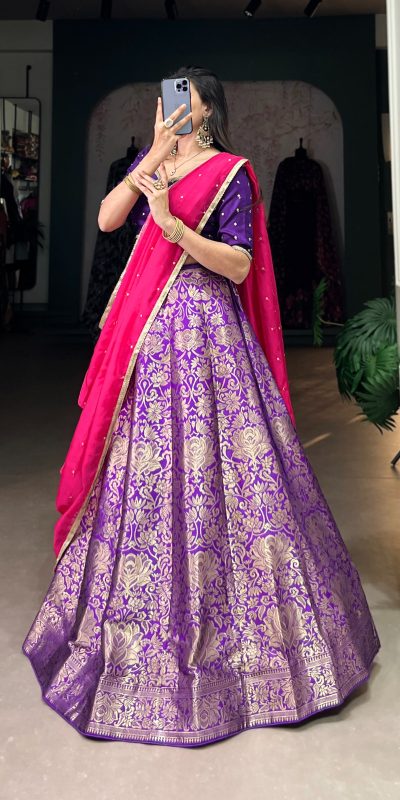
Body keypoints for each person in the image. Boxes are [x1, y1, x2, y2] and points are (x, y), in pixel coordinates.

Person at [21, 66, 380, 747]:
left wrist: (173, 228)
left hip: (209, 334)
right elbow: (107, 219)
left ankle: (259, 646)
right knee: (148, 475)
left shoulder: (230, 174)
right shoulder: (154, 165)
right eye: (165, 100)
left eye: (181, 101)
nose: (170, 110)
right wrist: (153, 161)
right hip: (150, 342)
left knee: (232, 474)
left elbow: (240, 266)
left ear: (207, 111)